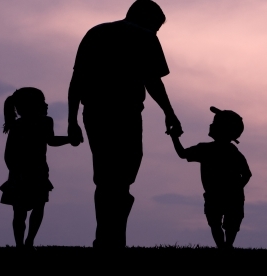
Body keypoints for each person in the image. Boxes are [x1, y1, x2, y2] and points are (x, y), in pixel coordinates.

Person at [68, 0, 183, 248]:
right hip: (125, 113)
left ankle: (107, 238)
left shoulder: (95, 32)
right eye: (156, 27)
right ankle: (112, 238)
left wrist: (72, 120)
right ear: (148, 20)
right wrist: (169, 112)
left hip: (95, 113)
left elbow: (77, 79)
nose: (156, 33)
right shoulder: (145, 37)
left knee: (106, 179)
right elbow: (153, 81)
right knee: (121, 179)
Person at [169, 106, 252, 249]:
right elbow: (247, 174)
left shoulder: (208, 150)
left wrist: (174, 137)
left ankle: (224, 246)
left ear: (223, 129)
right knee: (219, 223)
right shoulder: (227, 151)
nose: (211, 125)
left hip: (220, 195)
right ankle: (225, 246)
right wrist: (237, 188)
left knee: (220, 223)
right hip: (224, 195)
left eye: (215, 123)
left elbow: (182, 154)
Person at [0, 87, 70, 250]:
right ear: (33, 106)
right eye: (42, 102)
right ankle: (21, 244)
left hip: (37, 172)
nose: (46, 105)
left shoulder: (45, 122)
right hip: (22, 173)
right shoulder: (20, 125)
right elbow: (9, 154)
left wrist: (68, 139)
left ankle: (28, 242)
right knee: (22, 212)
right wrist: (16, 172)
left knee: (35, 207)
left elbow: (50, 140)